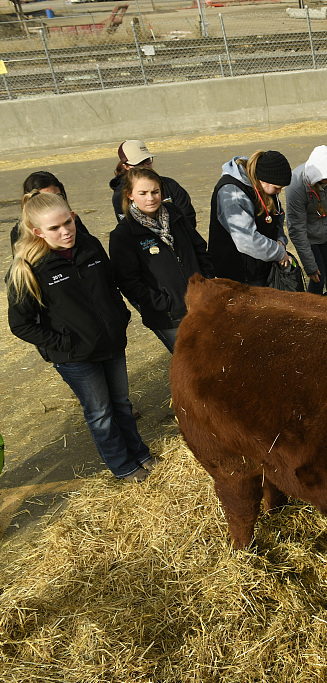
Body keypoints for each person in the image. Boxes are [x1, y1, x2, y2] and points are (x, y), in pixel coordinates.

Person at [7, 191, 154, 483]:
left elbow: (110, 284)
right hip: (76, 358)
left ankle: (140, 453)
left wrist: (119, 317)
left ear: (74, 217)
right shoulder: (28, 269)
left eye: (68, 222)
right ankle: (123, 466)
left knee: (122, 404)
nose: (65, 231)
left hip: (111, 343)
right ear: (37, 232)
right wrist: (65, 344)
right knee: (101, 413)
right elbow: (20, 324)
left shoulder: (89, 245)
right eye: (54, 228)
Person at [108, 168, 214, 353]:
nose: (151, 198)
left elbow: (199, 247)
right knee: (191, 364)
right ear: (129, 195)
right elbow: (128, 281)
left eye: (155, 192)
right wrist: (164, 304)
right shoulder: (123, 234)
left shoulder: (174, 214)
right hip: (169, 317)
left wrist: (207, 280)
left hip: (201, 303)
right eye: (143, 193)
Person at [208, 150, 293, 286]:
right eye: (277, 188)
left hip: (261, 268)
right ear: (263, 180)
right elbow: (246, 240)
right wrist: (278, 252)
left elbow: (277, 216)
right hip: (240, 274)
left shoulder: (264, 187)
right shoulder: (232, 193)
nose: (279, 192)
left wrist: (280, 240)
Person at [285, 145, 327, 297]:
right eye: (326, 179)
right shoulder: (296, 184)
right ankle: (314, 306)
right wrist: (309, 266)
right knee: (317, 274)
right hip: (308, 235)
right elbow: (297, 228)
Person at [108, 140, 196, 226]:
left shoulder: (170, 185)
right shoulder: (120, 195)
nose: (145, 166)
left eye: (147, 160)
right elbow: (127, 228)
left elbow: (188, 217)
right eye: (139, 163)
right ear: (126, 166)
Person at [10, 171, 90, 254]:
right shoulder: (20, 232)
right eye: (45, 199)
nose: (53, 202)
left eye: (58, 196)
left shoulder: (74, 221)